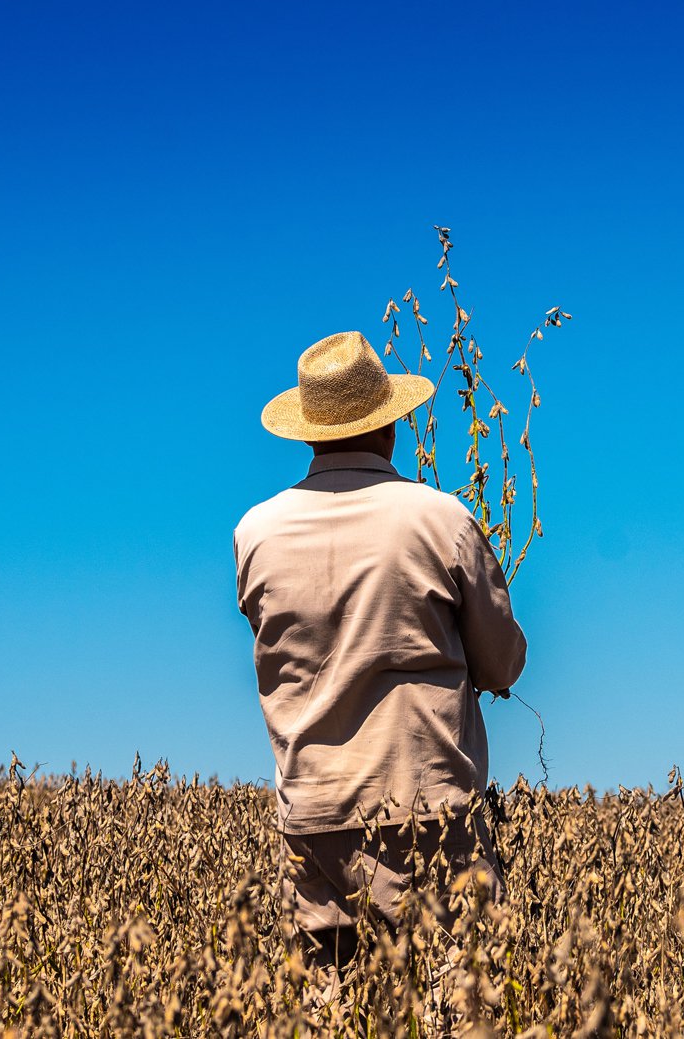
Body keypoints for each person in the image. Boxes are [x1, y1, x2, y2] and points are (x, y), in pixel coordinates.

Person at [234, 330, 527, 971]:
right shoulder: (441, 519)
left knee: (329, 1000)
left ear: (309, 433)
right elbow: (502, 664)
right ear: (390, 428)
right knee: (455, 994)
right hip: (429, 811)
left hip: (310, 816)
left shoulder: (255, 534)